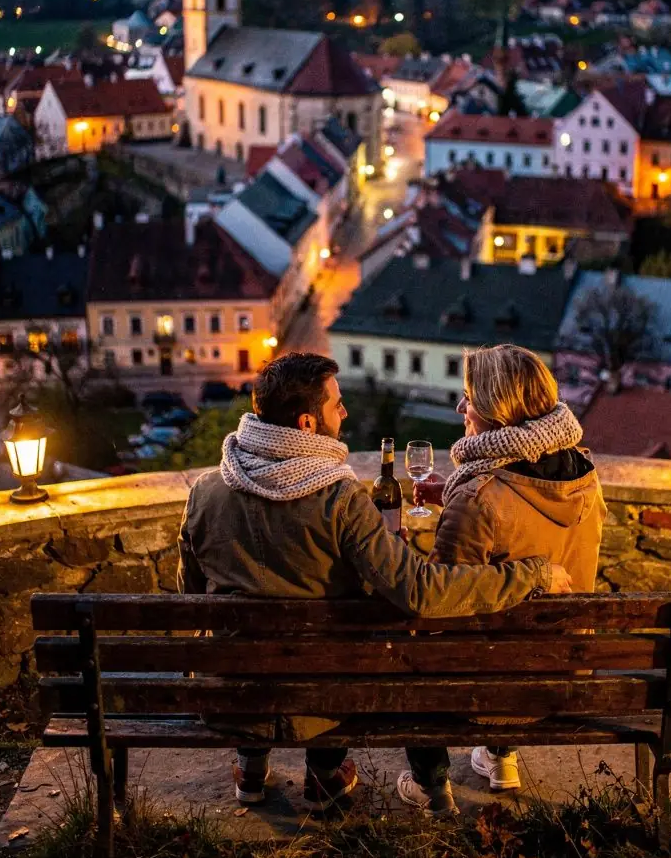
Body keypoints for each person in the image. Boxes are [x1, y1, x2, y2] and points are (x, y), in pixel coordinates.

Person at [178, 351, 572, 817]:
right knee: (335, 652)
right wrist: (531, 574)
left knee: (250, 638)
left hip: (230, 697)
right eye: (336, 405)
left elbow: (192, 595)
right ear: (307, 423)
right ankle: (325, 774)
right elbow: (420, 593)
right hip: (320, 702)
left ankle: (250, 767)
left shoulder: (205, 491)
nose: (344, 412)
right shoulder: (341, 500)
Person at [408, 343, 605, 797]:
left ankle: (429, 787)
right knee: (522, 624)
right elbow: (527, 527)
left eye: (470, 398)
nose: (461, 407)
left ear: (499, 412)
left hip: (495, 688)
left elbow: (442, 602)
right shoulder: (585, 478)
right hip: (563, 672)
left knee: (410, 642)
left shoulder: (478, 497)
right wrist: (455, 498)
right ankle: (501, 759)